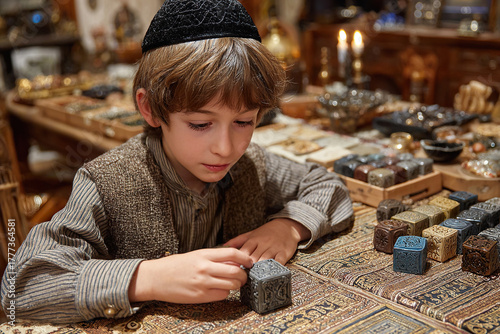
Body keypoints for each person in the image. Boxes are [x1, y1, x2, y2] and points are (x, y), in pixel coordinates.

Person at [1, 0, 353, 324]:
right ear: (150, 108)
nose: (225, 148)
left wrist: (288, 227)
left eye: (244, 122)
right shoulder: (105, 182)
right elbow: (19, 288)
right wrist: (148, 278)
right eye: (200, 124)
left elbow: (328, 186)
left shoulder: (252, 164)